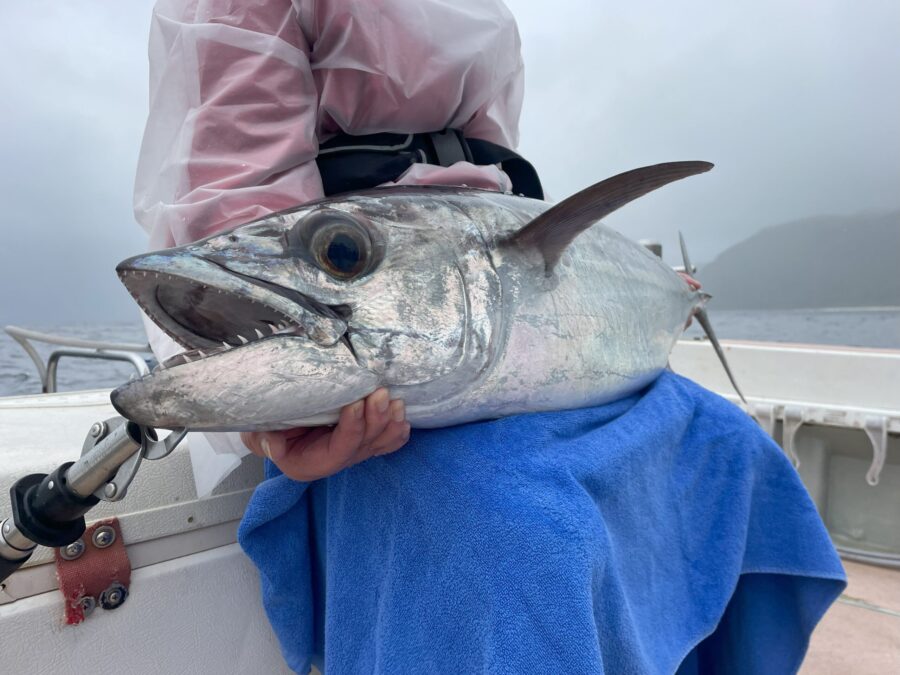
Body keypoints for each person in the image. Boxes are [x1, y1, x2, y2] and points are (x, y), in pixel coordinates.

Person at [135, 2, 846, 673]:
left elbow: (485, 169)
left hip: (486, 308)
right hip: (402, 347)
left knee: (735, 446)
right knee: (528, 543)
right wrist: (267, 424)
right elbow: (225, 216)